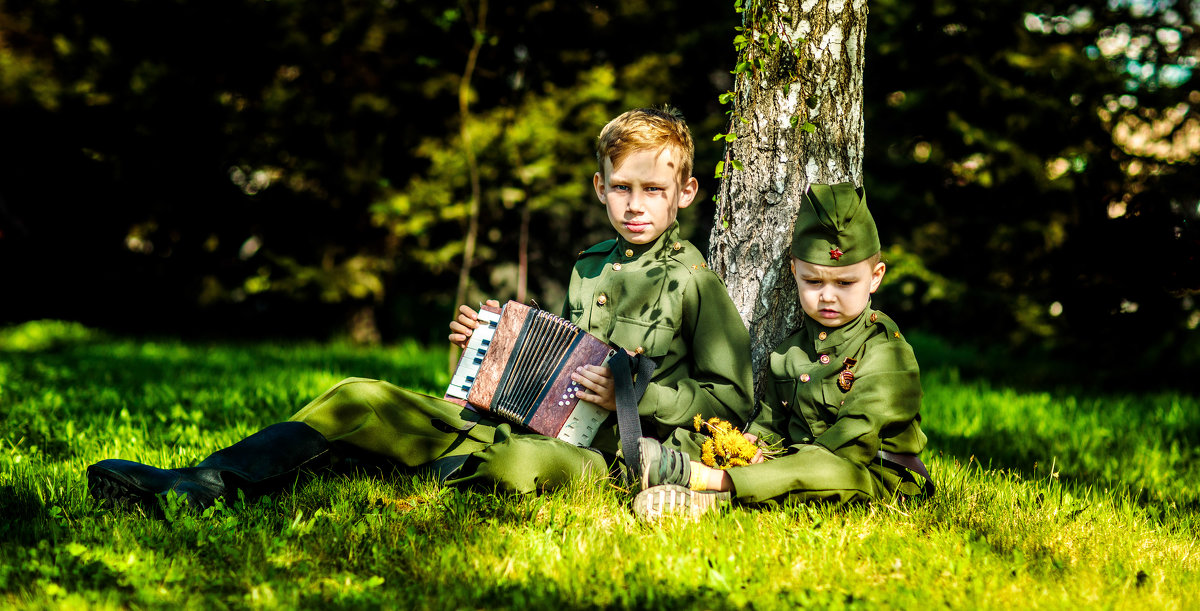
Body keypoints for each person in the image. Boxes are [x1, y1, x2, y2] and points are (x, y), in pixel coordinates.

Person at [86, 107, 755, 509]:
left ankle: (366, 462)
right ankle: (202, 480)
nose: (635, 204)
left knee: (512, 470)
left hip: (605, 459)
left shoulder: (694, 281)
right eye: (621, 188)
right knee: (359, 395)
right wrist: (486, 355)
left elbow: (731, 400)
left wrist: (632, 397)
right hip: (523, 427)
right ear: (599, 188)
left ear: (685, 193)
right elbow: (554, 377)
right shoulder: (589, 265)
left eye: (652, 189)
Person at [632, 182, 932, 519]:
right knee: (702, 441)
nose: (828, 296)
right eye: (814, 281)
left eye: (845, 283)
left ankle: (704, 482)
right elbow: (771, 426)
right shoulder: (790, 353)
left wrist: (779, 465)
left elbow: (852, 441)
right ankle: (682, 484)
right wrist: (750, 447)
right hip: (794, 465)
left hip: (868, 477)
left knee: (828, 471)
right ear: (794, 272)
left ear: (875, 278)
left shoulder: (887, 353)